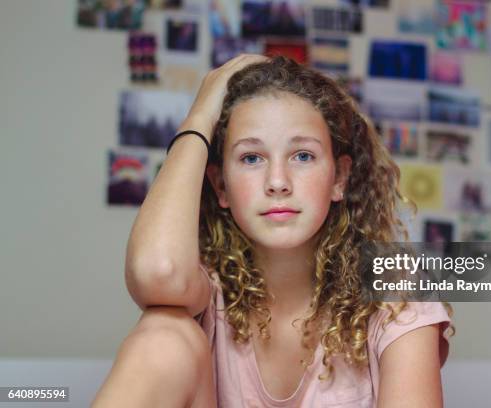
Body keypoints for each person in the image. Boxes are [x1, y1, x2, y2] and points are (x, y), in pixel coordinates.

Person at [92, 54, 455, 407]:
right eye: (251, 158)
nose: (278, 182)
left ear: (339, 178)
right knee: (164, 332)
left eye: (302, 156)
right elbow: (160, 271)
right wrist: (200, 116)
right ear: (220, 186)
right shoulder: (204, 294)